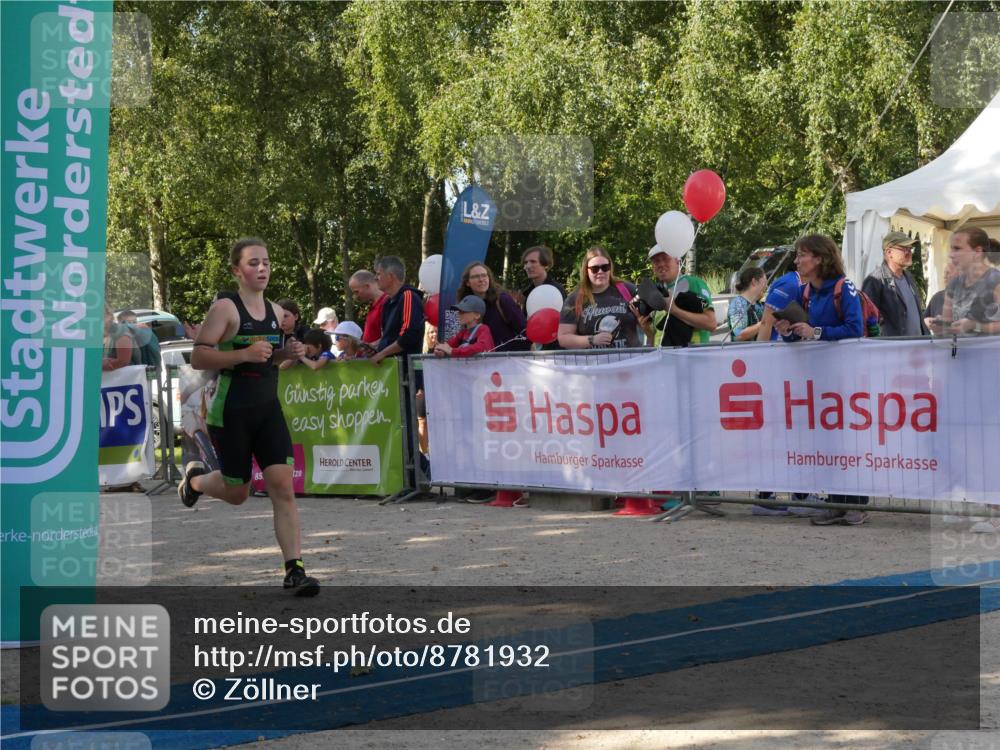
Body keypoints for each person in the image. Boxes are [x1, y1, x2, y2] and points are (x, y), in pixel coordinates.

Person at [177, 237, 319, 596]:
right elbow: (198, 357)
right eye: (253, 263)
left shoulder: (274, 309)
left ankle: (295, 570)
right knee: (238, 492)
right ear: (237, 270)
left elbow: (267, 358)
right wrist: (242, 355)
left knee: (282, 486)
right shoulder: (226, 308)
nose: (262, 268)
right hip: (231, 410)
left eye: (266, 262)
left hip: (267, 408)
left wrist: (286, 352)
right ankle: (194, 480)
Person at [774, 234, 868, 527]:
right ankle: (836, 502)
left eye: (802, 255)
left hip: (847, 377)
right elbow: (799, 337)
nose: (797, 260)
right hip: (820, 380)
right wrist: (788, 330)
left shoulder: (844, 287)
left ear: (819, 258)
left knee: (848, 439)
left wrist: (814, 332)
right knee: (829, 440)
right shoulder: (804, 292)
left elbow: (855, 327)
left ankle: (855, 504)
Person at [558, 247, 641, 349]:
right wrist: (592, 340)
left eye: (605, 267)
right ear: (586, 271)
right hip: (594, 363)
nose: (600, 272)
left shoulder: (626, 289)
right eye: (594, 269)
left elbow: (650, 322)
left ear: (610, 268)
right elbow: (563, 338)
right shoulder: (576, 298)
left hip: (630, 361)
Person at [931, 226, 1000, 337]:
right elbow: (947, 323)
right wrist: (941, 326)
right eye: (951, 248)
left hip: (990, 352)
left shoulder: (995, 281)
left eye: (957, 249)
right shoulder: (954, 283)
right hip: (959, 352)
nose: (951, 254)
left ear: (977, 251)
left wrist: (975, 325)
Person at [643, 246, 717, 346]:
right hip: (664, 359)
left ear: (677, 261)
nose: (661, 264)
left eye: (666, 259)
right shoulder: (656, 291)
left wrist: (674, 310)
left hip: (692, 357)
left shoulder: (694, 284)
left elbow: (711, 323)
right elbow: (655, 339)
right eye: (656, 261)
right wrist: (647, 329)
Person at [861, 231, 929, 337]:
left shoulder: (909, 277)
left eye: (910, 248)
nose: (909, 252)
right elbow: (865, 318)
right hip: (894, 350)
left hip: (917, 348)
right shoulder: (875, 280)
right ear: (889, 253)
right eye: (904, 249)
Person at [457, 262, 527, 351]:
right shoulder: (464, 304)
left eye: (484, 275)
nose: (481, 279)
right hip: (477, 361)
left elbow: (524, 329)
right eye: (475, 276)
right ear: (467, 282)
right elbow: (458, 336)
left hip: (508, 360)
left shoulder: (502, 300)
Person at [370, 256, 426, 365]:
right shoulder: (387, 302)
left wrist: (382, 354)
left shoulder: (408, 296)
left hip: (406, 372)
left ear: (390, 276)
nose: (375, 278)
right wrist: (374, 345)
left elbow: (408, 335)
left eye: (378, 274)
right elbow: (390, 336)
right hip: (391, 371)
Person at [727, 268, 767, 341]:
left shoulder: (759, 304)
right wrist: (766, 322)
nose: (766, 287)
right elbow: (739, 335)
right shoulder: (738, 303)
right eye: (764, 282)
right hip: (742, 352)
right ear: (754, 282)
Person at [349, 269, 387, 346]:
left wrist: (372, 345)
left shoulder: (386, 303)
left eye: (356, 292)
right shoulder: (373, 306)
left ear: (367, 286)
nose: (356, 296)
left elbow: (392, 335)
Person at [923, 260, 957, 331]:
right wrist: (928, 321)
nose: (945, 276)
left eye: (948, 273)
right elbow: (923, 321)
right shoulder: (937, 297)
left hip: (964, 341)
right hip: (940, 341)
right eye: (944, 273)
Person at [102, 303, 133, 370]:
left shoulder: (120, 331)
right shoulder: (97, 334)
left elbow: (123, 361)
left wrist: (98, 364)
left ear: (109, 315)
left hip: (129, 378)